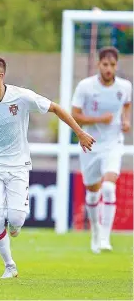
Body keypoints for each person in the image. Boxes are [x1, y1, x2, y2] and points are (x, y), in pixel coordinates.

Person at [0, 54, 95, 278]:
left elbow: (55, 108)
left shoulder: (22, 97)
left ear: (0, 76)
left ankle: (14, 226)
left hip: (18, 165)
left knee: (15, 220)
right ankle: (9, 266)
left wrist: (80, 133)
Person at [71, 46, 132, 254]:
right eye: (105, 64)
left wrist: (125, 121)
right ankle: (95, 231)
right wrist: (99, 119)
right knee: (92, 193)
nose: (108, 69)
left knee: (108, 188)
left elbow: (126, 105)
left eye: (112, 65)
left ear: (116, 66)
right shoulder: (85, 87)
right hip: (90, 144)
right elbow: (74, 115)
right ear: (99, 64)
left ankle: (105, 237)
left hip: (113, 144)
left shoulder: (124, 86)